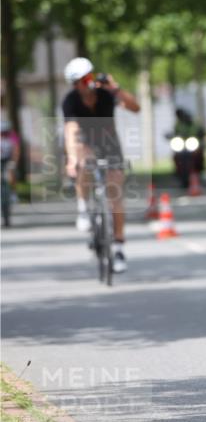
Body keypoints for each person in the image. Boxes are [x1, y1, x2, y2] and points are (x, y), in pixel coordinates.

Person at [62, 57, 140, 273]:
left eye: (90, 76)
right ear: (75, 83)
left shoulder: (106, 94)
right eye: (83, 79)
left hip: (110, 145)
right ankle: (83, 208)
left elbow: (135, 107)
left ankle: (119, 247)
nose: (88, 82)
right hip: (85, 144)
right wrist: (71, 158)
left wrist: (116, 89)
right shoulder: (70, 101)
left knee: (115, 198)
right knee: (83, 160)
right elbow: (70, 130)